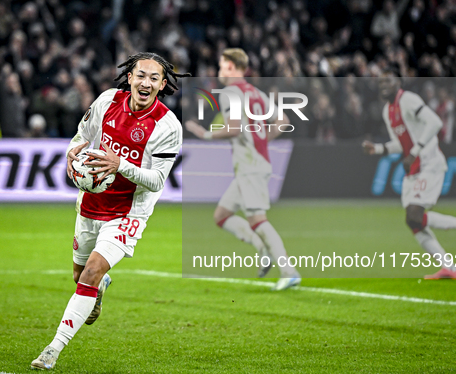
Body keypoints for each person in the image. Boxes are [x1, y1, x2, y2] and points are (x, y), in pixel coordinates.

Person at [31, 52, 189, 370]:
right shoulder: (106, 101)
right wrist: (72, 154)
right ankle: (100, 286)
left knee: (89, 271)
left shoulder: (168, 126)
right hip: (91, 203)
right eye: (140, 75)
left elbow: (157, 181)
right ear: (129, 77)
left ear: (162, 85)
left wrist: (120, 164)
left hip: (129, 212)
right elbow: (82, 136)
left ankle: (52, 349)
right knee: (80, 275)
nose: (146, 82)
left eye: (154, 78)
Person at [185, 48, 301, 291]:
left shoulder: (230, 93)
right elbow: (283, 122)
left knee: (258, 220)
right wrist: (261, 140)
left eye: (221, 66)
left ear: (231, 67)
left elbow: (234, 128)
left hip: (250, 165)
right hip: (254, 162)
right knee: (222, 216)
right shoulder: (256, 92)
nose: (219, 72)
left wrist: (204, 134)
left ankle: (288, 270)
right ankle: (262, 249)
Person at [362, 69, 456, 279]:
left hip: (429, 162)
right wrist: (378, 149)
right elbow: (400, 145)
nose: (383, 85)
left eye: (388, 81)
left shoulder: (408, 99)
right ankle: (450, 268)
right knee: (413, 221)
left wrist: (415, 151)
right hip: (414, 168)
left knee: (415, 214)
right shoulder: (387, 111)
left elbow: (435, 122)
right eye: (380, 82)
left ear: (398, 82)